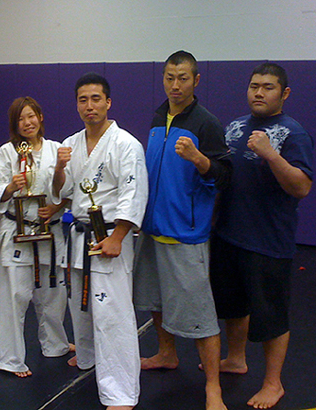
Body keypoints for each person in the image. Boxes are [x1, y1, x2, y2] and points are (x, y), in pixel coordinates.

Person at [210, 63, 313, 409]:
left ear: (284, 93)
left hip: (268, 241)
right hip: (229, 234)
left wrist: (270, 154)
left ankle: (273, 383)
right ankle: (236, 358)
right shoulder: (235, 126)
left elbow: (301, 187)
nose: (258, 92)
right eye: (254, 86)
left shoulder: (294, 134)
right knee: (233, 305)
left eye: (268, 87)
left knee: (271, 314)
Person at [132, 50, 231, 410]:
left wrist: (198, 159)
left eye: (183, 78)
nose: (175, 85)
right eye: (170, 78)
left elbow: (224, 176)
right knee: (154, 299)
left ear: (196, 80)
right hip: (152, 227)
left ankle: (213, 388)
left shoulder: (206, 123)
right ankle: (166, 353)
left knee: (200, 315)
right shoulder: (159, 116)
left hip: (186, 233)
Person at [52, 73, 148, 410]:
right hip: (79, 235)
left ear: (108, 102)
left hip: (109, 234)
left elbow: (134, 193)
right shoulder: (71, 144)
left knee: (112, 312)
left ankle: (121, 391)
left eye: (96, 99)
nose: (89, 106)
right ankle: (88, 357)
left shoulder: (126, 144)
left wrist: (118, 236)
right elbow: (61, 192)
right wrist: (59, 168)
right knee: (80, 306)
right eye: (83, 99)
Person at [0, 96, 73, 378]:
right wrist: (10, 188)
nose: (27, 123)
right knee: (15, 296)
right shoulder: (6, 152)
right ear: (15, 124)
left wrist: (56, 207)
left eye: (31, 116)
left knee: (54, 294)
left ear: (40, 117)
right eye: (21, 119)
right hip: (17, 229)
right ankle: (10, 358)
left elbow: (68, 190)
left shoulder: (55, 149)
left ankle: (55, 344)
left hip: (49, 231)